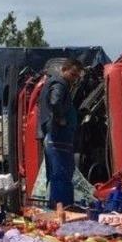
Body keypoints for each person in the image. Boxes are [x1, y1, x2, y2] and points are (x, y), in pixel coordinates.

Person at [37, 59, 83, 208]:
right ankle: (63, 207)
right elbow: (55, 102)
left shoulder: (52, 82)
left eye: (77, 76)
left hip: (53, 135)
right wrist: (61, 118)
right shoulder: (60, 83)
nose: (74, 78)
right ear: (64, 69)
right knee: (62, 172)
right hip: (58, 136)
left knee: (55, 173)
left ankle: (54, 207)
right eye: (73, 74)